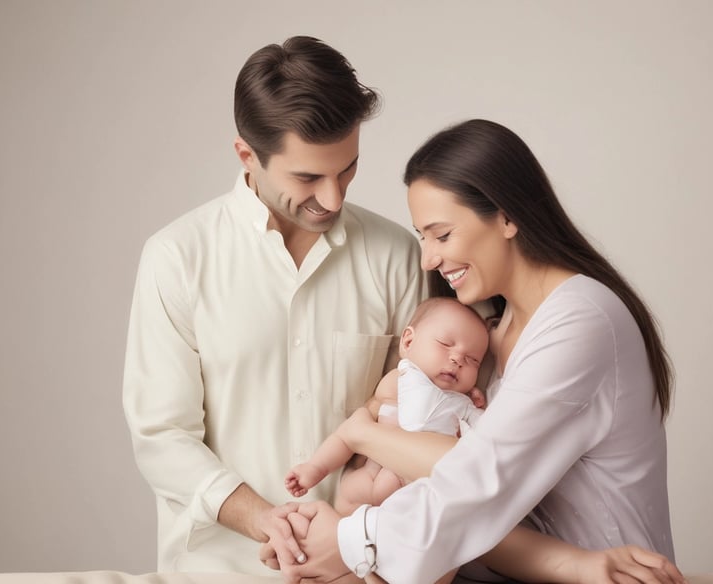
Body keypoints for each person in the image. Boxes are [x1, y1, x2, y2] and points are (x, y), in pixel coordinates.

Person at [262, 119, 684, 584]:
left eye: (441, 235)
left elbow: (479, 482)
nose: (427, 259)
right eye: (423, 237)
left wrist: (350, 537)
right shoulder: (486, 335)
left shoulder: (580, 321)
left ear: (506, 216)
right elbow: (477, 513)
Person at [121, 36, 424, 576]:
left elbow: (417, 423)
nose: (333, 198)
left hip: (357, 570)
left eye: (347, 168)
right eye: (307, 177)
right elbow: (162, 437)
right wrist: (262, 518)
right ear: (247, 155)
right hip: (220, 572)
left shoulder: (396, 254)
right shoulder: (177, 258)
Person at [285, 297, 489, 516]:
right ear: (409, 342)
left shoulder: (459, 402)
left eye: (472, 360)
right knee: (341, 517)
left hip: (409, 497)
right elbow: (348, 434)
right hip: (364, 482)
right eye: (445, 344)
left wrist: (474, 405)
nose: (457, 359)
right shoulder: (395, 383)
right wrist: (316, 468)